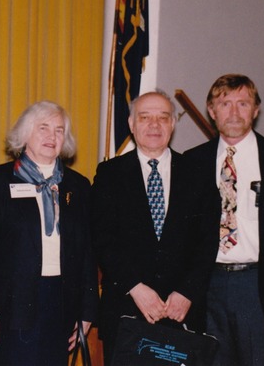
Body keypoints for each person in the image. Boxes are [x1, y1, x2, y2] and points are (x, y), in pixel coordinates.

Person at [184, 74, 264, 366]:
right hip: (206, 286)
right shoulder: (191, 163)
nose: (234, 112)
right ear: (211, 111)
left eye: (243, 103)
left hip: (258, 287)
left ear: (256, 110)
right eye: (225, 103)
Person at [91, 90, 219, 365]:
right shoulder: (109, 174)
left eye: (163, 118)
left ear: (172, 124)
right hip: (127, 307)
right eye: (145, 117)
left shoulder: (197, 173)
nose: (154, 125)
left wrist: (187, 292)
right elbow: (102, 239)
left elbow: (208, 241)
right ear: (131, 124)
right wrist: (135, 287)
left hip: (182, 310)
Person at [0, 100, 98, 366]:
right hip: (11, 304)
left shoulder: (77, 185)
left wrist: (87, 311)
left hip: (61, 302)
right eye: (43, 128)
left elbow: (87, 251)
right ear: (25, 134)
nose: (51, 136)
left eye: (58, 130)